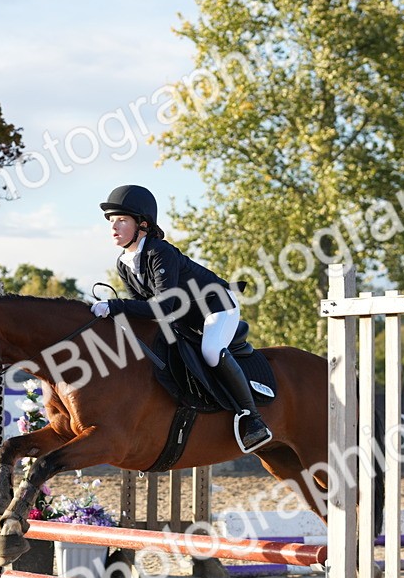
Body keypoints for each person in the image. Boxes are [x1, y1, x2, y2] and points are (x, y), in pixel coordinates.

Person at [91, 184, 273, 453]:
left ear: (142, 224)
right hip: (183, 317)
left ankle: (253, 419)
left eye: (121, 220)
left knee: (211, 351)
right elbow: (141, 305)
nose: (113, 227)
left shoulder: (159, 252)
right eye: (111, 222)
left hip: (216, 306)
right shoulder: (123, 262)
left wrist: (115, 306)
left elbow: (162, 306)